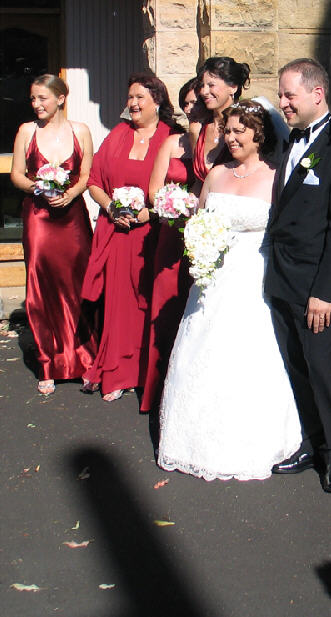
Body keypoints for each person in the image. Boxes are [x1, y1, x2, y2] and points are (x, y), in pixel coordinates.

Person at [157, 100, 302, 481]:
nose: (231, 138)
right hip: (212, 280)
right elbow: (200, 220)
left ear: (260, 134)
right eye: (228, 131)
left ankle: (255, 437)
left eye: (240, 131)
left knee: (248, 357)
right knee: (201, 351)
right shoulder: (217, 173)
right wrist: (198, 241)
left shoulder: (277, 176)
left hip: (254, 280)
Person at [266, 58, 331, 493]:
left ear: (317, 94)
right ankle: (313, 441)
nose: (283, 102)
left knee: (324, 368)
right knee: (297, 367)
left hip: (316, 286)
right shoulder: (288, 142)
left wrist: (326, 291)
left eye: (290, 95)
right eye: (281, 95)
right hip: (282, 277)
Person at [80, 72, 179, 402]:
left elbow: (178, 190)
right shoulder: (118, 134)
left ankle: (146, 374)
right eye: (130, 97)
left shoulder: (170, 137)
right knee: (119, 306)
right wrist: (109, 208)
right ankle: (119, 372)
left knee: (149, 305)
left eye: (140, 97)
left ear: (157, 101)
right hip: (118, 233)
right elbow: (94, 180)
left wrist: (147, 214)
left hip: (153, 234)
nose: (132, 103)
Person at [10, 74, 96, 396]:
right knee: (41, 286)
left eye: (42, 98)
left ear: (60, 98)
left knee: (78, 285)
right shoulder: (26, 131)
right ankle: (48, 362)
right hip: (40, 218)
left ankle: (85, 359)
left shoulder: (81, 131)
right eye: (32, 99)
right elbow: (16, 174)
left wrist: (72, 193)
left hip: (72, 218)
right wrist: (40, 186)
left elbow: (87, 174)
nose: (36, 105)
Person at [139, 77, 200, 415]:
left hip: (204, 237)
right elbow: (153, 190)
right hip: (171, 233)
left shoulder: (219, 143)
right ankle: (159, 388)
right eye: (186, 103)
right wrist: (173, 205)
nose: (191, 108)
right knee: (166, 307)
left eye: (196, 103)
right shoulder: (172, 142)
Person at [190, 57, 250, 190]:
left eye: (211, 85)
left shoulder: (246, 126)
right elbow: (199, 183)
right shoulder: (199, 129)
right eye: (202, 86)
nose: (204, 92)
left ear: (233, 87)